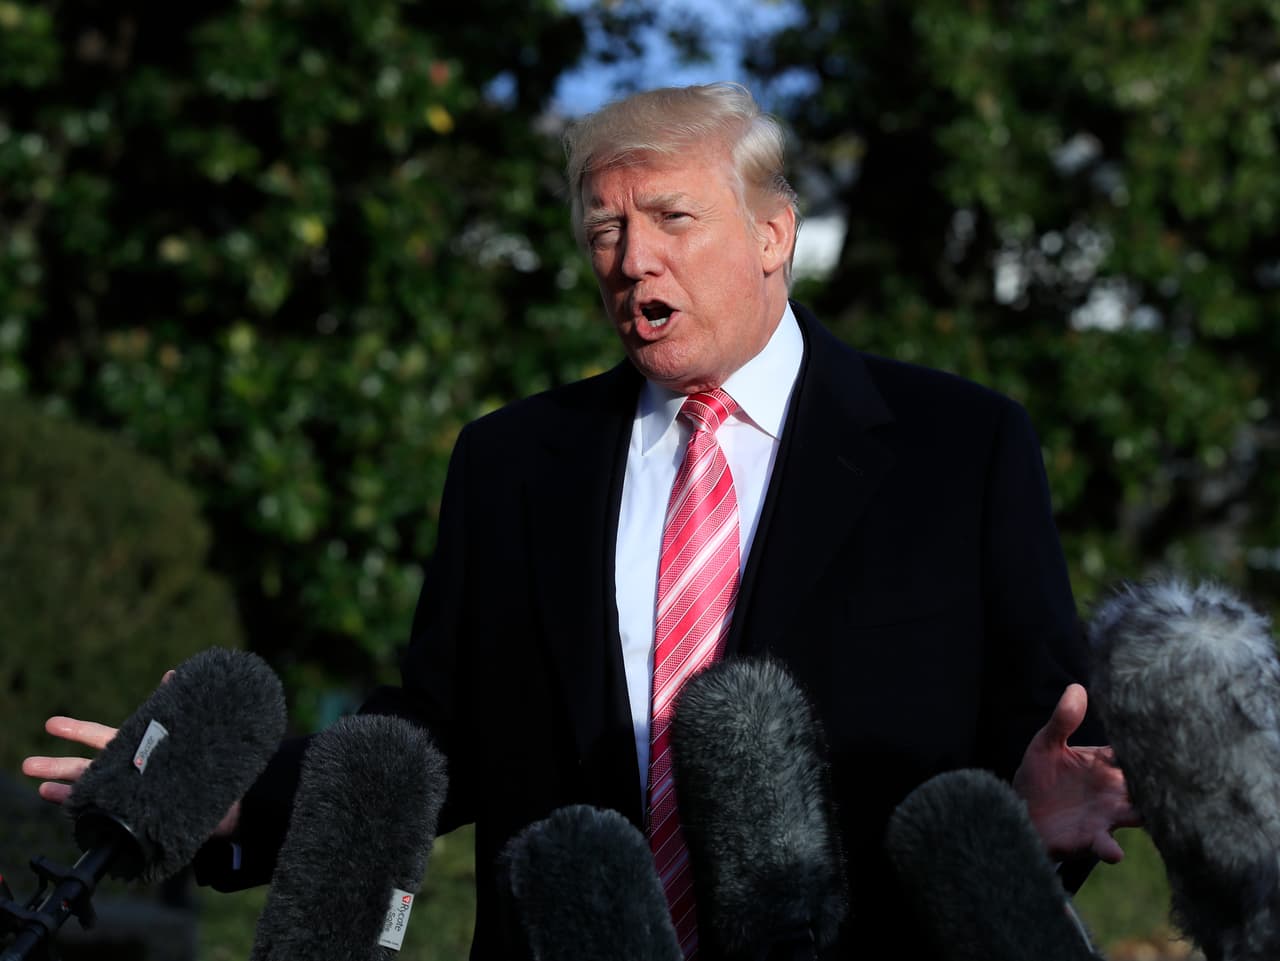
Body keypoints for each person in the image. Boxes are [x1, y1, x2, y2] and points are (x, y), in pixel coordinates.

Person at [25, 83, 1135, 959]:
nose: (632, 258)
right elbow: (440, 733)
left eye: (671, 217)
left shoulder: (959, 446)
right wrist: (241, 796)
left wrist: (1020, 826)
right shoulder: (512, 461)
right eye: (605, 228)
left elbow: (1040, 730)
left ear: (772, 234)